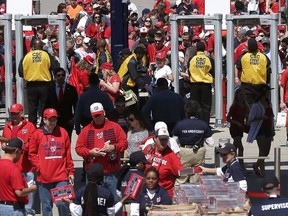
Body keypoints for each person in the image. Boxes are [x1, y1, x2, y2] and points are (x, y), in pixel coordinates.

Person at [75, 102, 128, 203]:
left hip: (111, 172)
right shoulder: (86, 130)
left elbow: (124, 143)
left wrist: (114, 147)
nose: (98, 118)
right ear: (92, 116)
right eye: (96, 116)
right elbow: (78, 148)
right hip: (93, 174)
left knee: (114, 201)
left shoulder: (115, 127)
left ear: (104, 113)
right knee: (92, 202)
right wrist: (90, 152)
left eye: (100, 115)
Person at [29, 108, 75, 216]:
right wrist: (39, 166)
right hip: (44, 178)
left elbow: (68, 154)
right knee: (46, 206)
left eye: (55, 119)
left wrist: (71, 171)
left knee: (62, 203)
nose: (53, 122)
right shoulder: (37, 134)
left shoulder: (63, 132)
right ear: (44, 120)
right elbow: (31, 154)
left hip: (61, 176)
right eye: (50, 119)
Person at [2, 103, 37, 215]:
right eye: (12, 114)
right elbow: (4, 142)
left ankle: (28, 212)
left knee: (27, 195)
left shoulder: (30, 126)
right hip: (11, 167)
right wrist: (5, 145)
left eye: (16, 114)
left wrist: (20, 146)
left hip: (25, 167)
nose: (14, 116)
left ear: (21, 113)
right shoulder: (7, 126)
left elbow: (33, 143)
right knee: (12, 193)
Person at [18, 38, 60, 125]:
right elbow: (56, 67)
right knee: (44, 105)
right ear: (42, 47)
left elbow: (20, 72)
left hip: (31, 85)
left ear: (33, 47)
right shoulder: (46, 55)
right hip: (45, 85)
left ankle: (32, 126)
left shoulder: (27, 56)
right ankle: (44, 124)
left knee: (32, 107)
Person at [172, 100, 214, 183]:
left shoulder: (180, 124)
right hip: (199, 152)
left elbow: (174, 142)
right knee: (196, 178)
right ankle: (194, 193)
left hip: (184, 152)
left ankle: (178, 193)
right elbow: (211, 143)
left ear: (186, 112)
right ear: (198, 112)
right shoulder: (203, 124)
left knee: (182, 176)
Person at [65, 163, 130, 216]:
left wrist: (71, 203)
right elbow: (111, 213)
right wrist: (122, 201)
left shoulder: (80, 192)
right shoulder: (106, 193)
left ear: (88, 176)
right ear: (101, 177)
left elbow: (77, 213)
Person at [142, 128, 184, 200]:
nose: (163, 142)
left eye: (166, 139)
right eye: (161, 139)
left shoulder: (171, 156)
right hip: (146, 190)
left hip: (163, 193)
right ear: (155, 138)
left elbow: (181, 171)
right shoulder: (148, 149)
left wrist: (194, 170)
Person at [0, 138, 37, 216]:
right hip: (14, 210)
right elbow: (19, 192)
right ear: (16, 151)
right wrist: (32, 189)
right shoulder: (13, 168)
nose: (21, 155)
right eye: (21, 152)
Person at [246, 85, 275, 177]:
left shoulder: (269, 103)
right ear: (263, 93)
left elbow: (272, 117)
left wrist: (272, 128)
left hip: (268, 129)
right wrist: (262, 117)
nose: (269, 94)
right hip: (260, 129)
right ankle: (263, 172)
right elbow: (250, 118)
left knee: (266, 152)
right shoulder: (256, 105)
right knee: (262, 152)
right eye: (267, 92)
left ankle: (256, 165)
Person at [45, 67, 78, 140]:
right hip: (54, 121)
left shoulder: (72, 89)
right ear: (55, 77)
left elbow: (76, 105)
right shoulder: (51, 89)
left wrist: (74, 119)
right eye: (58, 75)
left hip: (67, 121)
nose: (61, 77)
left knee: (67, 141)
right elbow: (46, 105)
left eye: (63, 75)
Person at [236, 38, 271, 106]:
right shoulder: (263, 57)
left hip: (247, 86)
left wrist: (238, 79)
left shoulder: (243, 57)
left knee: (248, 106)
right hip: (260, 86)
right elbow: (268, 66)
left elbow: (238, 67)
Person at [188, 41, 214, 124]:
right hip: (206, 85)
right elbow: (212, 71)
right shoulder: (209, 59)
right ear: (204, 49)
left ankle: (195, 124)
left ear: (196, 49)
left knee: (195, 106)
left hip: (194, 85)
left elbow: (189, 71)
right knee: (206, 106)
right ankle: (205, 124)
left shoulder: (191, 59)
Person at [227, 88, 249, 170]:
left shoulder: (245, 106)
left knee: (235, 147)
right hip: (234, 128)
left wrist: (247, 123)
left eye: (243, 95)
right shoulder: (234, 106)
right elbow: (228, 118)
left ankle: (230, 163)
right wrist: (236, 123)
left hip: (241, 128)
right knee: (240, 147)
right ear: (237, 96)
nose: (242, 97)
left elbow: (247, 116)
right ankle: (241, 166)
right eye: (241, 95)